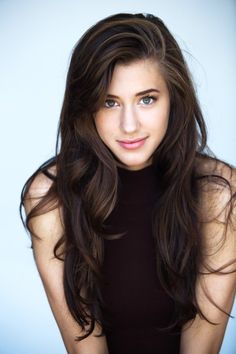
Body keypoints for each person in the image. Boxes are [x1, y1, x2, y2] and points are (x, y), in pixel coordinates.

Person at [20, 13, 236, 354]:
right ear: (86, 107)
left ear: (174, 99)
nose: (130, 125)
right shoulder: (50, 198)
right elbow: (84, 349)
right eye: (110, 102)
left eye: (147, 99)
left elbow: (203, 349)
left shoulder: (218, 193)